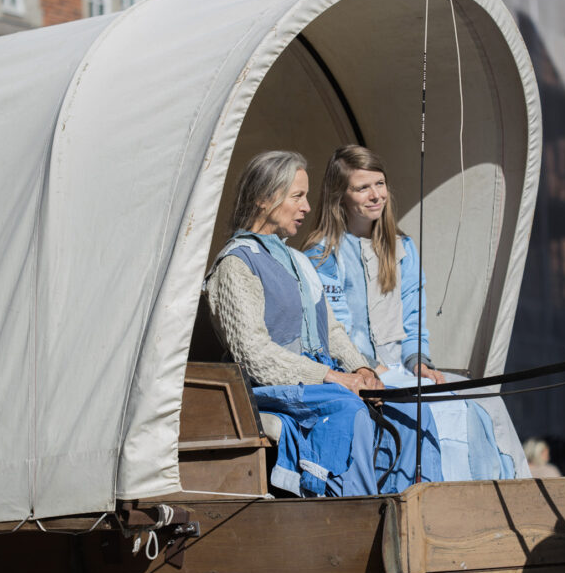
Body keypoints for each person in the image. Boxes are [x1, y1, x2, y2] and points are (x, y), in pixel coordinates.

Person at [205, 150, 442, 497]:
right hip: (270, 388)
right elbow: (253, 355)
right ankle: (359, 511)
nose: (306, 207)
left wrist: (361, 369)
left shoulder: (298, 261)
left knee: (407, 408)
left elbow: (331, 332)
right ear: (263, 199)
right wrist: (333, 377)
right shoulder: (236, 265)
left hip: (319, 379)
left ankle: (412, 508)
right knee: (347, 409)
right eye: (297, 196)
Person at [304, 145, 529, 481]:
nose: (375, 195)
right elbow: (334, 328)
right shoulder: (322, 255)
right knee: (439, 411)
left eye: (379, 184)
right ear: (340, 196)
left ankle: (514, 485)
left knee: (486, 399)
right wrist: (366, 366)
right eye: (362, 187)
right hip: (362, 372)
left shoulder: (402, 248)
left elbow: (414, 316)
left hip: (401, 367)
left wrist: (419, 361)